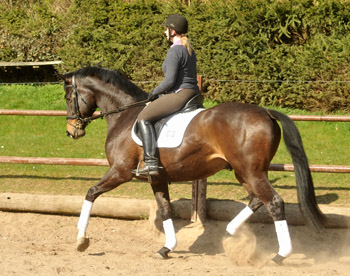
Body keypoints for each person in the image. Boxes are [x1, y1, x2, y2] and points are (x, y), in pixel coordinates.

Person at [132, 14, 201, 176]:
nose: (164, 32)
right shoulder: (189, 49)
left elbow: (169, 81)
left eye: (166, 29)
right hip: (192, 93)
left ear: (173, 30)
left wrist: (153, 93)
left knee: (143, 117)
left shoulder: (175, 51)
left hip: (179, 94)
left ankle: (150, 162)